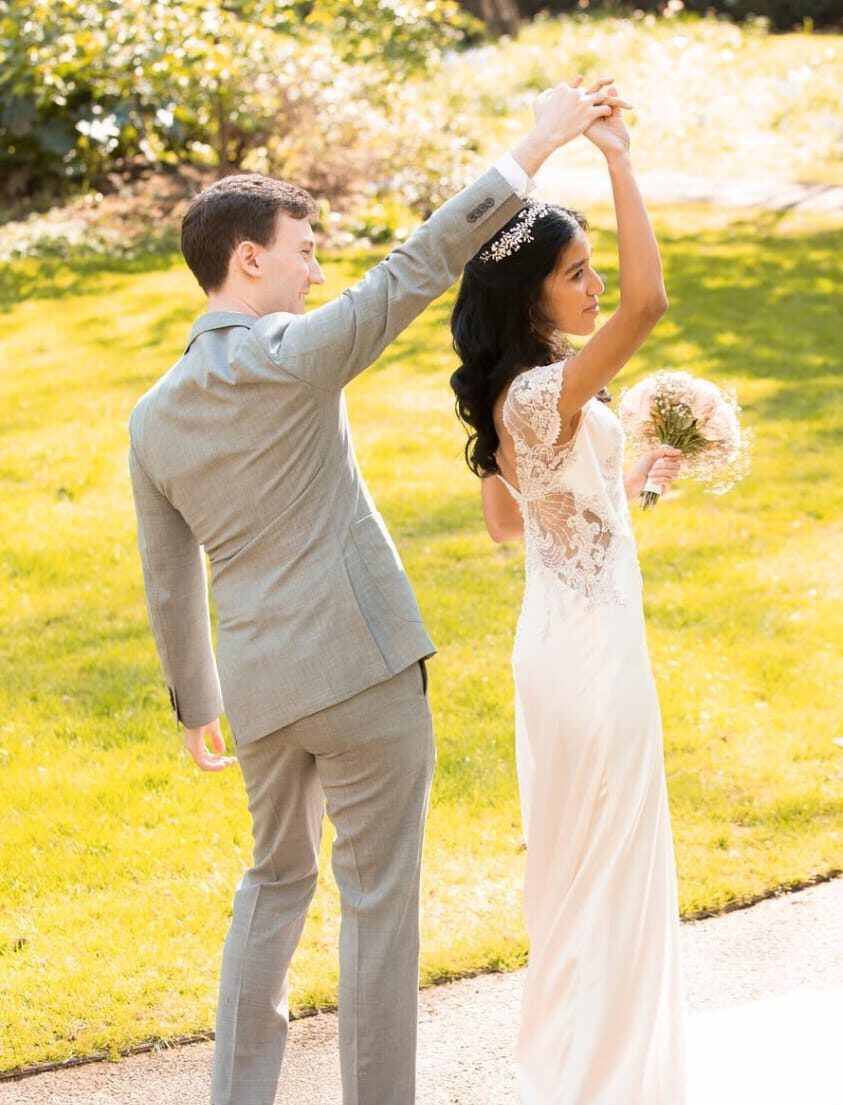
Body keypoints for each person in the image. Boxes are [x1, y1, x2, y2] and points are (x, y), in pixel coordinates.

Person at [127, 80, 627, 1105]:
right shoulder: (292, 357)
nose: (317, 270)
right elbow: (419, 265)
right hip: (363, 668)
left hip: (260, 692)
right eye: (303, 251)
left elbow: (167, 577)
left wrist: (196, 702)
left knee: (271, 887)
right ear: (248, 258)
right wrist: (537, 142)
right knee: (377, 907)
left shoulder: (152, 416)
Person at [450, 84, 843, 1104]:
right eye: (576, 274)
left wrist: (630, 481)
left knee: (581, 863)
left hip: (559, 649)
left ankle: (591, 1059)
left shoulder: (518, 393)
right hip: (593, 660)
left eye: (592, 269)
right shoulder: (544, 390)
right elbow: (650, 305)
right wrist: (619, 159)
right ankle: (620, 1076)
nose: (595, 287)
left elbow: (514, 523)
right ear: (531, 296)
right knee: (614, 859)